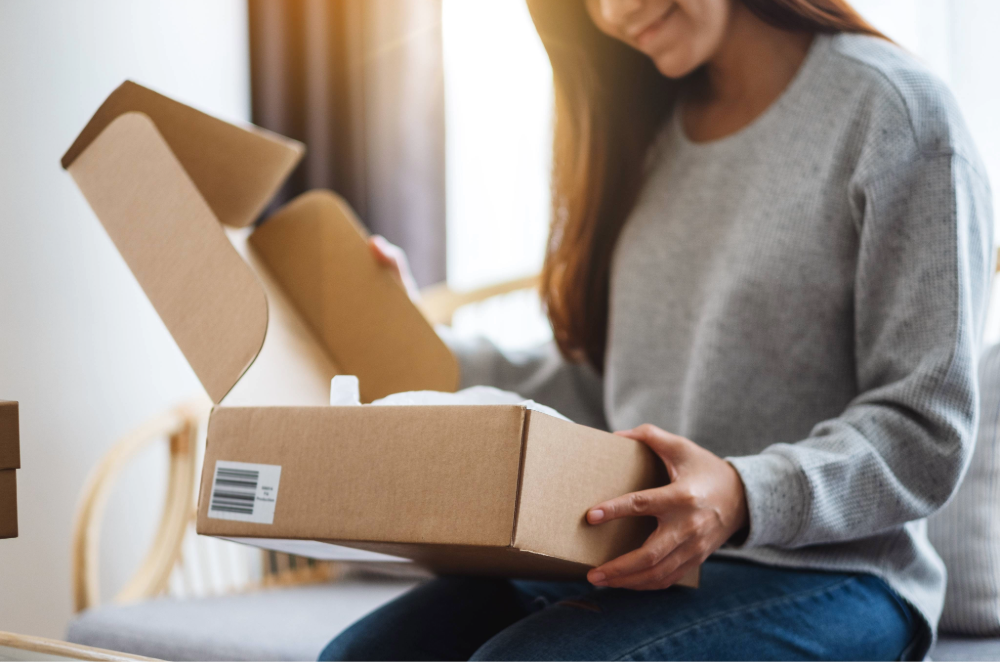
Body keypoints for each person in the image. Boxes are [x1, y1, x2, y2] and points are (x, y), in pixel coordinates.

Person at [322, 0, 993, 659]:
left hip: (835, 573)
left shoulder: (895, 112)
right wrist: (408, 345)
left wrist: (741, 493)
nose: (613, 12)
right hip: (645, 557)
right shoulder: (641, 130)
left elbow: (924, 428)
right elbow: (601, 387)